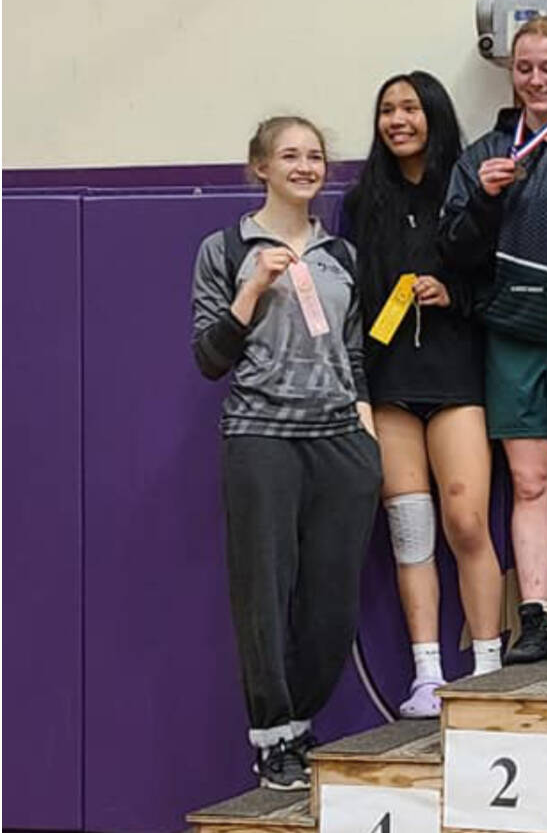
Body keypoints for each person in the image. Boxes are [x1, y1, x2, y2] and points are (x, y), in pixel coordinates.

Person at [191, 117, 382, 789]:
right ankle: (272, 735)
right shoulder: (224, 247)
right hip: (261, 438)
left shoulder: (343, 257)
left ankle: (299, 719)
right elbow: (208, 357)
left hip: (338, 440)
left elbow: (355, 349)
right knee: (264, 593)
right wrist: (250, 291)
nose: (305, 165)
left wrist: (363, 420)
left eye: (315, 156)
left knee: (331, 603)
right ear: (260, 167)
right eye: (290, 155)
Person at [438, 17, 547, 665]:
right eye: (525, 68)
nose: (537, 79)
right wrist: (484, 201)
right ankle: (535, 616)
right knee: (530, 481)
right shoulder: (483, 153)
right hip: (510, 334)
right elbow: (454, 251)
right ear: (510, 72)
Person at [342, 72, 505, 719]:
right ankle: (427, 672)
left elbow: (491, 281)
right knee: (410, 532)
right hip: (390, 387)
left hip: (456, 377)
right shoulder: (363, 204)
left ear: (434, 115)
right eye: (387, 109)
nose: (398, 119)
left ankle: (487, 663)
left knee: (466, 519)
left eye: (410, 107)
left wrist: (451, 294)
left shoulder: (464, 189)